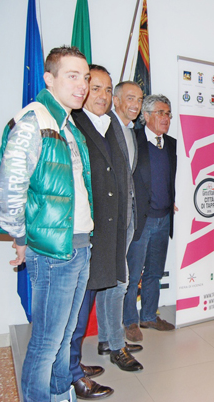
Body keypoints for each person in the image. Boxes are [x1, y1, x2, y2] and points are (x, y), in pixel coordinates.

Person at [0, 46, 92, 402]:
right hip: (53, 251)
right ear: (49, 78)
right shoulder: (34, 120)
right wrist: (20, 237)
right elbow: (8, 189)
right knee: (46, 341)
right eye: (72, 76)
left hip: (79, 244)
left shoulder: (68, 125)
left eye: (85, 77)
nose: (82, 85)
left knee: (64, 335)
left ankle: (60, 394)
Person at [70, 65, 144, 399]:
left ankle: (88, 356)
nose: (101, 95)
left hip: (116, 225)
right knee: (81, 303)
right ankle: (77, 367)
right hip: (89, 230)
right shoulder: (74, 124)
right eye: (95, 88)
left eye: (106, 89)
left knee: (112, 285)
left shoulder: (111, 125)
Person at [124, 94, 177, 333]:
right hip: (140, 220)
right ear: (145, 116)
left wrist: (171, 200)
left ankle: (148, 316)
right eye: (160, 113)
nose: (166, 118)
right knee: (133, 274)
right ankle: (129, 321)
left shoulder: (172, 144)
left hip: (164, 219)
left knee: (154, 273)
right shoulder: (132, 140)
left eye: (168, 114)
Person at [111, 81, 144, 341]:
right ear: (116, 100)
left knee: (122, 277)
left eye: (140, 100)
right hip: (112, 217)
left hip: (130, 214)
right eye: (130, 98)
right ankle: (112, 337)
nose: (136, 104)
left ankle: (113, 335)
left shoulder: (131, 132)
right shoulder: (107, 128)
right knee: (114, 279)